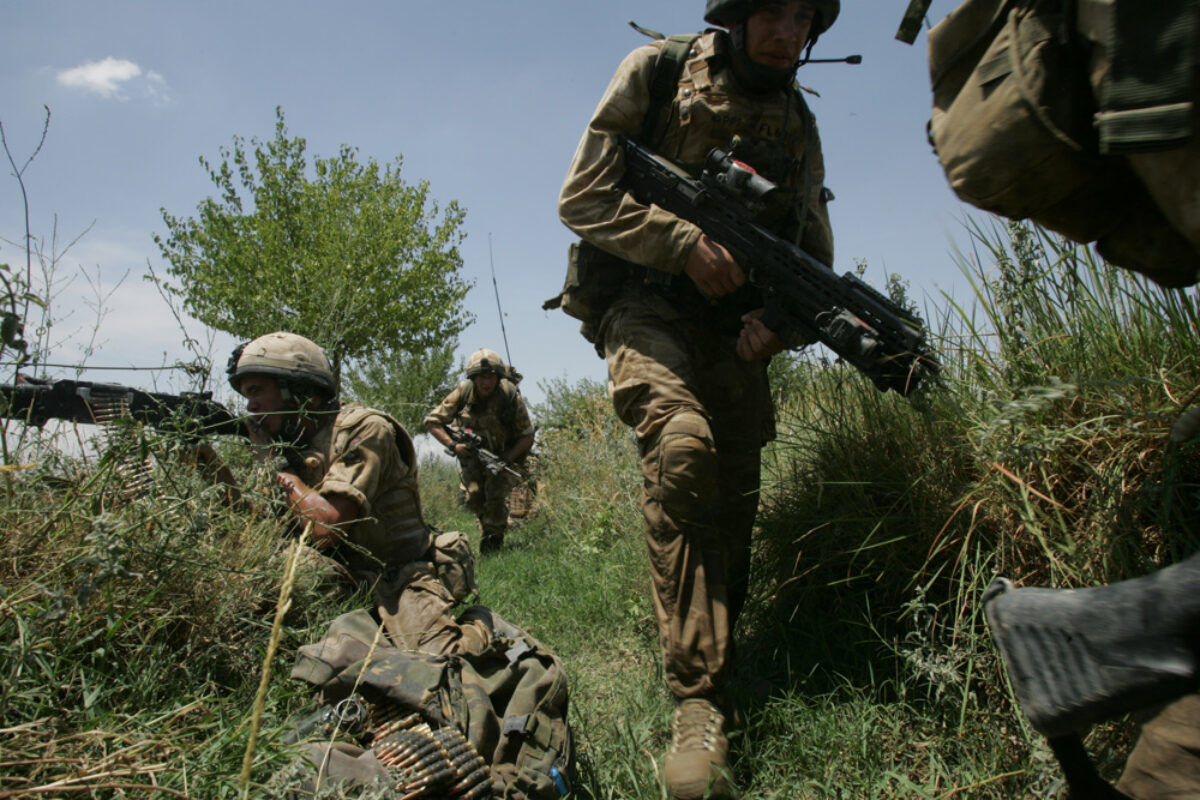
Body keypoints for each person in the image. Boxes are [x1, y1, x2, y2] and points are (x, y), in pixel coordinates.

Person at [556, 1, 838, 797]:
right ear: (740, 13)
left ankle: (718, 663)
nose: (789, 32)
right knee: (684, 448)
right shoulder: (660, 71)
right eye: (775, 11)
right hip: (643, 302)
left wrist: (779, 324)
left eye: (805, 18)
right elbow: (582, 194)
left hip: (731, 329)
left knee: (735, 498)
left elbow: (812, 255)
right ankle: (696, 703)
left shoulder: (797, 122)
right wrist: (681, 245)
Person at [204, 331, 487, 656]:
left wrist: (275, 469)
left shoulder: (364, 429)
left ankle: (480, 624)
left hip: (398, 579)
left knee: (444, 664)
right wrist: (207, 462)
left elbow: (327, 529)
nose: (249, 406)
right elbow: (256, 529)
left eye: (256, 391)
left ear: (295, 389)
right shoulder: (290, 445)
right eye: (245, 395)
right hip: (343, 580)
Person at [424, 348, 535, 555]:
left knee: (494, 498)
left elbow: (527, 435)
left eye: (491, 376)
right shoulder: (463, 392)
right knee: (474, 498)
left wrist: (506, 459)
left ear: (498, 377)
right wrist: (453, 445)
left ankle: (492, 548)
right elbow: (432, 422)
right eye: (481, 377)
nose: (486, 382)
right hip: (472, 459)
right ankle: (491, 525)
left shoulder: (510, 396)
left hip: (502, 458)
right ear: (473, 378)